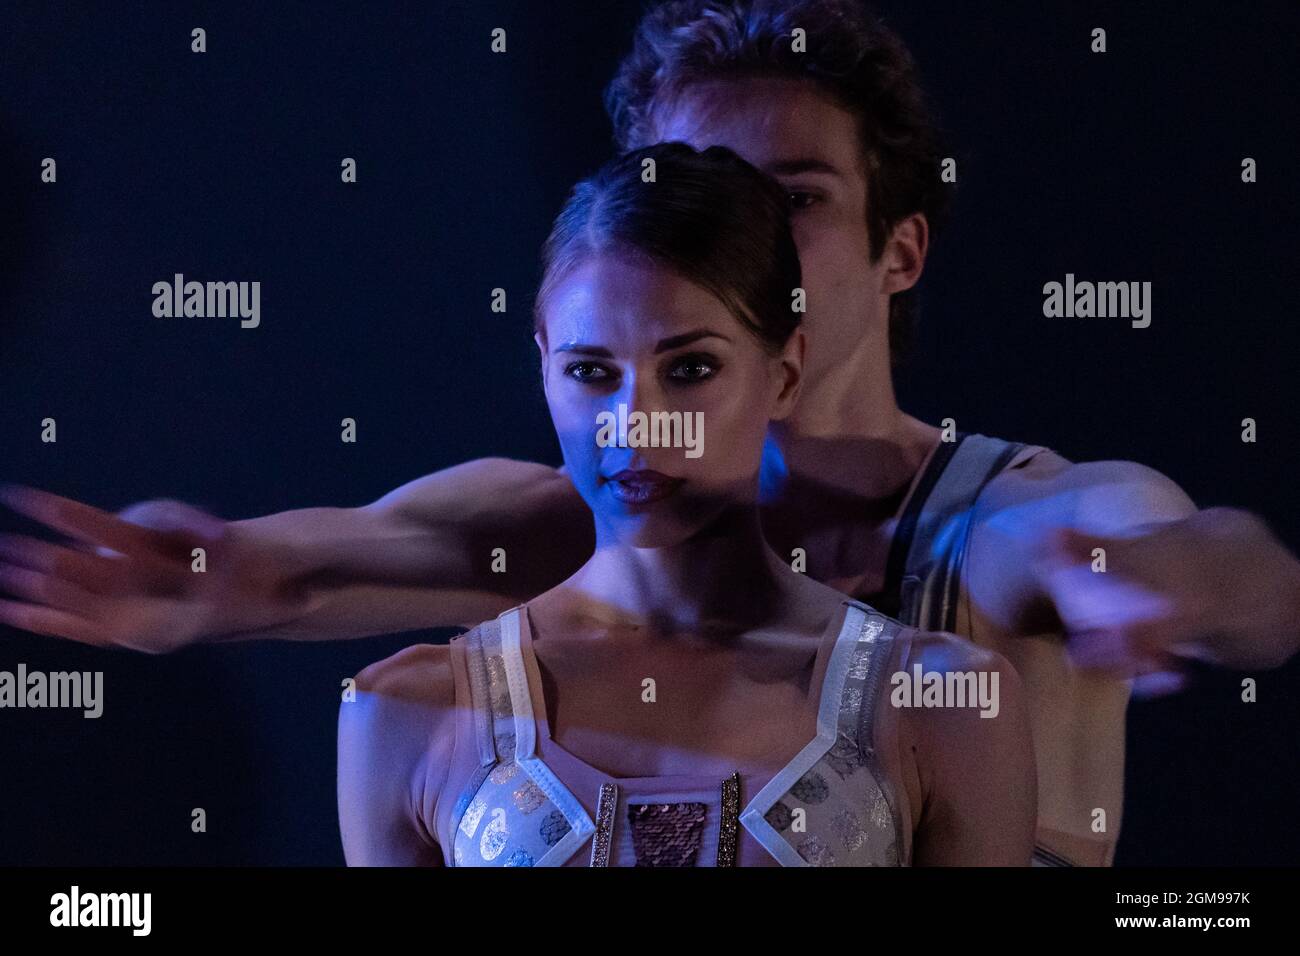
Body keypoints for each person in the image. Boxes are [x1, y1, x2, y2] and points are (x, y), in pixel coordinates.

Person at [1, 0, 1297, 866]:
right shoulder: (564, 523)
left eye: (791, 196)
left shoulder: (991, 521)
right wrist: (193, 577)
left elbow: (1233, 570)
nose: (731, 234)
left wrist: (1159, 579)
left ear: (900, 250)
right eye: (687, 190)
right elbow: (305, 567)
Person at [337, 142, 1036, 866]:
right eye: (590, 371)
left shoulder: (944, 703)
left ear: (786, 372)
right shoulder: (406, 713)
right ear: (545, 366)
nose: (636, 421)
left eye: (690, 368)